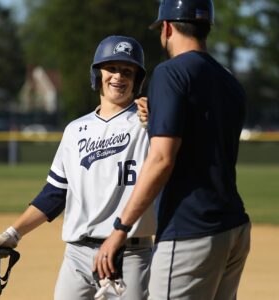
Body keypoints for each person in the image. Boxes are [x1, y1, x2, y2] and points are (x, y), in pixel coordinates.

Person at [94, 1, 251, 299]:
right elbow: (205, 137)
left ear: (166, 27)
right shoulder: (230, 80)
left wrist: (120, 228)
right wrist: (160, 119)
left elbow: (162, 159)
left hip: (191, 228)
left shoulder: (170, 72)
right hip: (234, 227)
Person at [0, 35, 155, 300]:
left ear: (137, 80)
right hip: (78, 256)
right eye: (111, 68)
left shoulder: (148, 123)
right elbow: (55, 194)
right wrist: (13, 233)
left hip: (130, 254)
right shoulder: (75, 130)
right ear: (97, 74)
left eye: (127, 71)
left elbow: (179, 151)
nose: (118, 77)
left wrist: (161, 118)